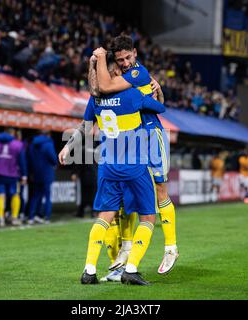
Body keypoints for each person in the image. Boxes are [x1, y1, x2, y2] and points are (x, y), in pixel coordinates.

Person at [92, 35, 179, 275]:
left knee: (160, 189)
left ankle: (171, 247)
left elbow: (105, 87)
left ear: (135, 53)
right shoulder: (125, 76)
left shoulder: (138, 74)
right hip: (133, 140)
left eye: (128, 57)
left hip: (152, 135)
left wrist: (99, 58)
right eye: (120, 60)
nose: (124, 62)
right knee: (128, 195)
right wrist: (159, 93)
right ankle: (126, 248)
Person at [80, 52, 166, 285]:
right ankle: (131, 267)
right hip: (134, 165)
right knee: (148, 217)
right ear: (115, 74)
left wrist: (68, 149)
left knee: (105, 216)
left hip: (108, 165)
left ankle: (89, 270)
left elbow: (86, 127)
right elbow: (160, 108)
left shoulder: (94, 98)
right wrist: (156, 89)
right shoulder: (133, 95)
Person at [0, 128, 27, 227]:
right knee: (15, 194)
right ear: (13, 133)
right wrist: (24, 175)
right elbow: (22, 161)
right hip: (12, 174)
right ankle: (14, 218)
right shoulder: (18, 144)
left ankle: (1, 218)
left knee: (0, 195)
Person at [27, 130, 57, 225]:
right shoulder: (48, 144)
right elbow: (53, 158)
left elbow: (30, 159)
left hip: (36, 173)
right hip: (47, 173)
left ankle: (31, 217)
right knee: (47, 196)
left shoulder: (32, 144)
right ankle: (46, 217)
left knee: (35, 196)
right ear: (48, 135)